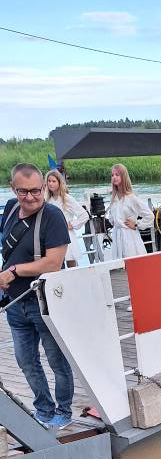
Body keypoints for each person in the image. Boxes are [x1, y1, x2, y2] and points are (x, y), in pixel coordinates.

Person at [0, 162, 73, 427]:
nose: (29, 197)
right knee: (25, 361)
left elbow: (53, 262)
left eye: (35, 191)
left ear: (44, 187)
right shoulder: (9, 210)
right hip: (15, 304)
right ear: (13, 189)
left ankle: (64, 412)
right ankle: (43, 408)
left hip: (44, 302)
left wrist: (15, 271)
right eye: (22, 192)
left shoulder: (52, 217)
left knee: (56, 359)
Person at [106, 164, 154, 259]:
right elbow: (112, 219)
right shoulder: (113, 199)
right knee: (122, 266)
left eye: (117, 174)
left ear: (123, 177)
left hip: (130, 235)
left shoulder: (131, 198)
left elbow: (150, 215)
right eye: (112, 175)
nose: (114, 177)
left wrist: (136, 224)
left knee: (135, 264)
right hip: (117, 236)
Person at [45, 169, 89, 268]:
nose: (51, 184)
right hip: (53, 236)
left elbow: (84, 215)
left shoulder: (66, 198)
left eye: (54, 181)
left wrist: (71, 224)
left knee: (70, 260)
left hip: (66, 234)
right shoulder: (48, 200)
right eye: (49, 181)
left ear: (59, 183)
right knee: (57, 263)